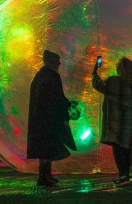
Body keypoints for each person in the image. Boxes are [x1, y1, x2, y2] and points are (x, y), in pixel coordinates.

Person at [92, 57, 132, 186]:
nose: (115, 65)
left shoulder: (114, 81)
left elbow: (98, 85)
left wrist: (94, 72)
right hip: (131, 120)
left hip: (116, 121)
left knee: (118, 149)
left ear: (121, 68)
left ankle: (123, 176)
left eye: (117, 64)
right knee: (126, 149)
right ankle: (127, 175)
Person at [27, 50, 76, 187]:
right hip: (49, 120)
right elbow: (57, 97)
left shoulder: (40, 76)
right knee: (46, 149)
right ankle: (43, 177)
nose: (60, 64)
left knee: (45, 149)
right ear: (52, 62)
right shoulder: (51, 76)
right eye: (57, 61)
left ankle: (46, 175)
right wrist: (65, 110)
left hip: (41, 119)